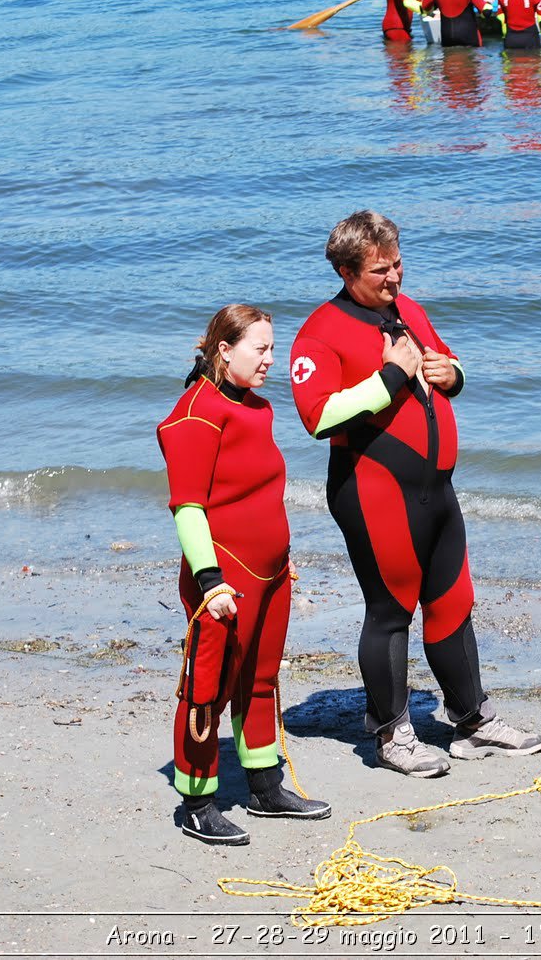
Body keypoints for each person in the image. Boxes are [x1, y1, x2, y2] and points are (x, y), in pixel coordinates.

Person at [288, 211, 541, 777]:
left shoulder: (410, 312)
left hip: (437, 489)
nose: (395, 278)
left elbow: (450, 363)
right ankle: (390, 735)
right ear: (346, 270)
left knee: (454, 601)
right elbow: (318, 417)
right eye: (381, 270)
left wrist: (452, 373)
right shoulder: (319, 334)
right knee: (390, 610)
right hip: (373, 491)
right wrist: (389, 377)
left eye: (399, 263)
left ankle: (472, 722)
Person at [156, 305, 330, 845]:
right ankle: (197, 801)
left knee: (261, 680)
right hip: (224, 580)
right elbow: (187, 508)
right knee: (207, 688)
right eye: (261, 349)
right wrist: (211, 583)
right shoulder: (195, 415)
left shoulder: (257, 408)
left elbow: (259, 491)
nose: (271, 360)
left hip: (271, 575)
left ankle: (264, 785)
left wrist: (281, 559)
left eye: (273, 348)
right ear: (225, 350)